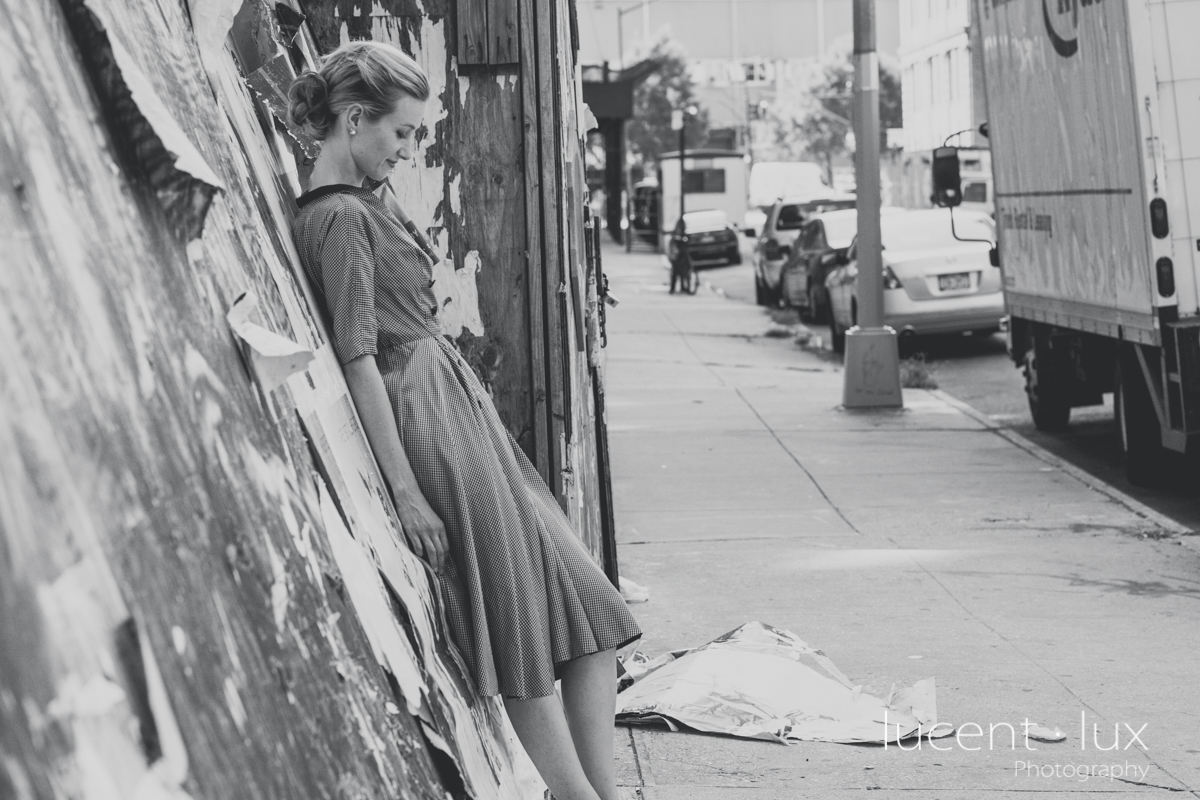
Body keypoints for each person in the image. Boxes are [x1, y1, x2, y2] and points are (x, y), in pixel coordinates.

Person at [287, 42, 640, 800]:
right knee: (518, 616)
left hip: (455, 405)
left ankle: (605, 794)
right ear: (354, 120)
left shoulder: (364, 205)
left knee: (588, 603)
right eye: (403, 133)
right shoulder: (340, 217)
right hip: (428, 416)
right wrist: (406, 494)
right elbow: (357, 359)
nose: (411, 150)